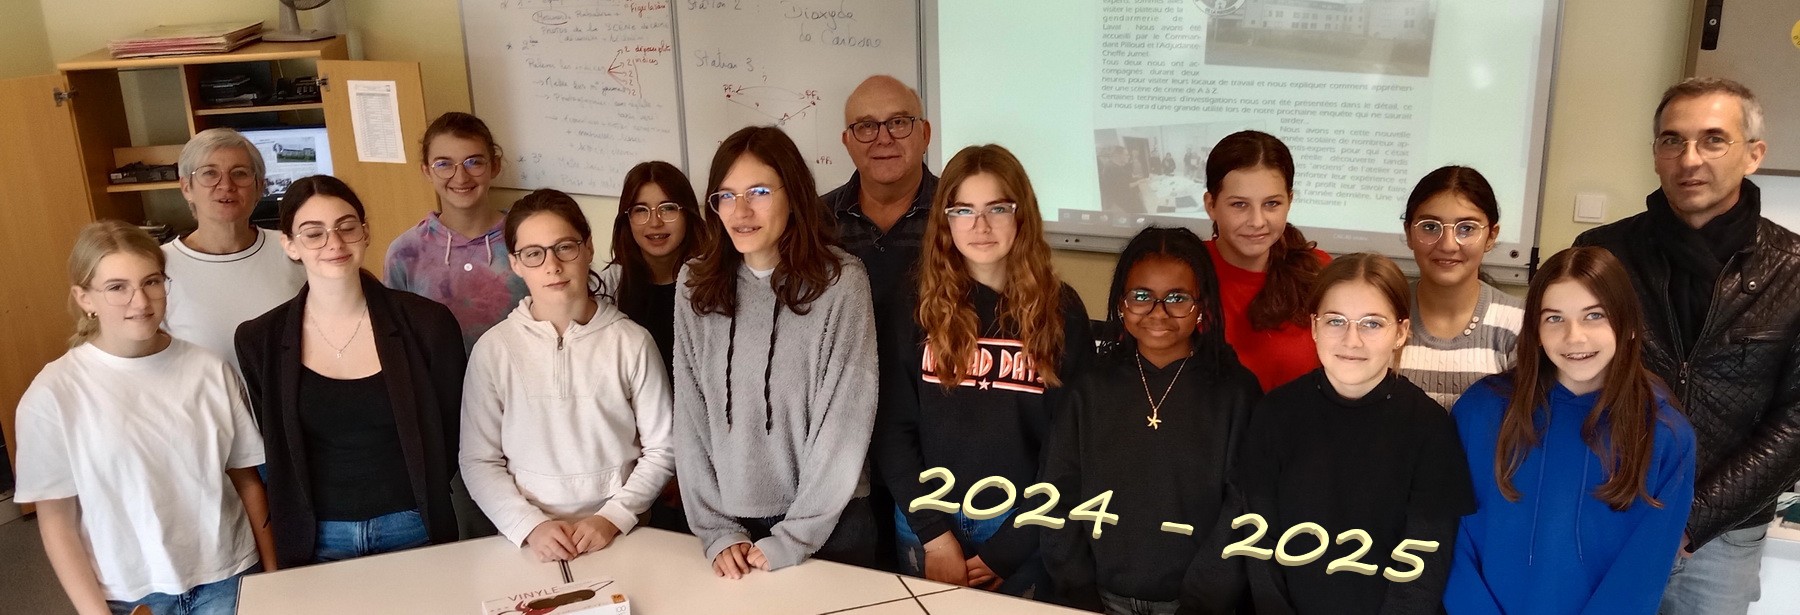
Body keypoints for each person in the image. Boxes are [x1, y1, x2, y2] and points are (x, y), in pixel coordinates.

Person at [1573, 77, 1800, 615]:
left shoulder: (1792, 270)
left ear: (1754, 154)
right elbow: (1567, 380)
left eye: (1713, 140)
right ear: (1655, 153)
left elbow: (1795, 419)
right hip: (1608, 512)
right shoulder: (1603, 253)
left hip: (1721, 537)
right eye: (1672, 140)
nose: (1689, 158)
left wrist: (1690, 520)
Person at [16, 220, 276, 615]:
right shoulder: (53, 395)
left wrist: (274, 576)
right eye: (117, 287)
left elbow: (247, 481)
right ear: (84, 298)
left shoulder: (208, 369)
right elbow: (57, 523)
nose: (140, 302)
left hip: (229, 577)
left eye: (151, 282)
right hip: (131, 594)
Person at [873, 144, 1094, 595]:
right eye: (963, 210)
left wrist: (1009, 549)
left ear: (1021, 214)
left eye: (997, 208)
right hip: (924, 522)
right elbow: (892, 428)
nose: (980, 225)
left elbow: (1071, 447)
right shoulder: (915, 303)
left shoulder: (1061, 311)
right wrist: (934, 535)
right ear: (945, 220)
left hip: (1021, 526)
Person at [1445, 246, 1696, 614]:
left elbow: (1641, 574)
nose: (1574, 336)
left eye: (1594, 315)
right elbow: (1450, 535)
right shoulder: (1480, 411)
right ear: (1535, 330)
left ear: (1628, 324)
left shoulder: (1664, 433)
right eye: (1554, 318)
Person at [675, 126, 879, 578]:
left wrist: (796, 536)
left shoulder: (841, 282)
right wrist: (715, 529)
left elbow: (846, 421)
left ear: (795, 195)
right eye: (726, 196)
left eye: (759, 192)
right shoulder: (695, 284)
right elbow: (690, 414)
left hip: (829, 524)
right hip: (732, 528)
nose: (741, 211)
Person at [235, 175, 467, 567]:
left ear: (365, 232)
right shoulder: (260, 340)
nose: (335, 243)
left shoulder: (427, 324)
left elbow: (452, 428)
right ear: (289, 245)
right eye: (314, 234)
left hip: (413, 525)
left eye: (346, 227)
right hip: (316, 538)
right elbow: (273, 446)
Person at [1233, 253, 1475, 614]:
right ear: (1314, 327)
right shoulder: (1275, 413)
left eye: (1372, 324)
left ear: (1401, 332)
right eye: (1336, 321)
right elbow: (1258, 540)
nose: (1352, 340)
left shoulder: (1429, 425)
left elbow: (1425, 562)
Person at [1039, 226, 1261, 614]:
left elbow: (1242, 509)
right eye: (1141, 296)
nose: (1158, 313)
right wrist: (1078, 590)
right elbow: (1057, 491)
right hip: (1097, 597)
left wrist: (1203, 600)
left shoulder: (1236, 392)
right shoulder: (1090, 388)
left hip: (1197, 604)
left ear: (1202, 304)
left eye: (1177, 298)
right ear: (1121, 304)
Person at [461, 189, 675, 562]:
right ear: (515, 263)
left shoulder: (632, 342)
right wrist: (529, 525)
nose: (552, 266)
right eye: (534, 253)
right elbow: (479, 459)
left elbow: (663, 448)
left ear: (588, 248)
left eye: (564, 247)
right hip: (528, 540)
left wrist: (612, 517)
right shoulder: (494, 350)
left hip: (622, 534)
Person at [596, 161, 706, 534]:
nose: (654, 222)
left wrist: (685, 469)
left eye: (668, 208)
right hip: (635, 465)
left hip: (704, 460)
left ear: (688, 214)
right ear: (626, 220)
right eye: (640, 210)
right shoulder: (606, 289)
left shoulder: (713, 283)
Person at [162, 128, 307, 371]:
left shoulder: (295, 251)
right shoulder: (159, 266)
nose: (226, 185)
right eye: (210, 173)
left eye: (239, 173)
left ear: (260, 187)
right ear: (186, 187)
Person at [384, 112, 529, 352]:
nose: (460, 177)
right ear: (427, 171)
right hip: (438, 377)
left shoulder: (525, 239)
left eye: (474, 162)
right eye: (443, 164)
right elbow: (396, 339)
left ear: (494, 166)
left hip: (517, 374)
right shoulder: (405, 253)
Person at [1201, 130, 1330, 392]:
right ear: (1211, 205)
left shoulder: (1319, 271)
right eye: (1239, 205)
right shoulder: (1184, 270)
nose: (1257, 221)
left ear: (1289, 201)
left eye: (1271, 204)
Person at [1395, 166, 1525, 409]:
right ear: (1409, 233)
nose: (1448, 245)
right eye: (1430, 227)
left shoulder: (1519, 324)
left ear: (1491, 236)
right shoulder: (1385, 316)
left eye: (1466, 228)